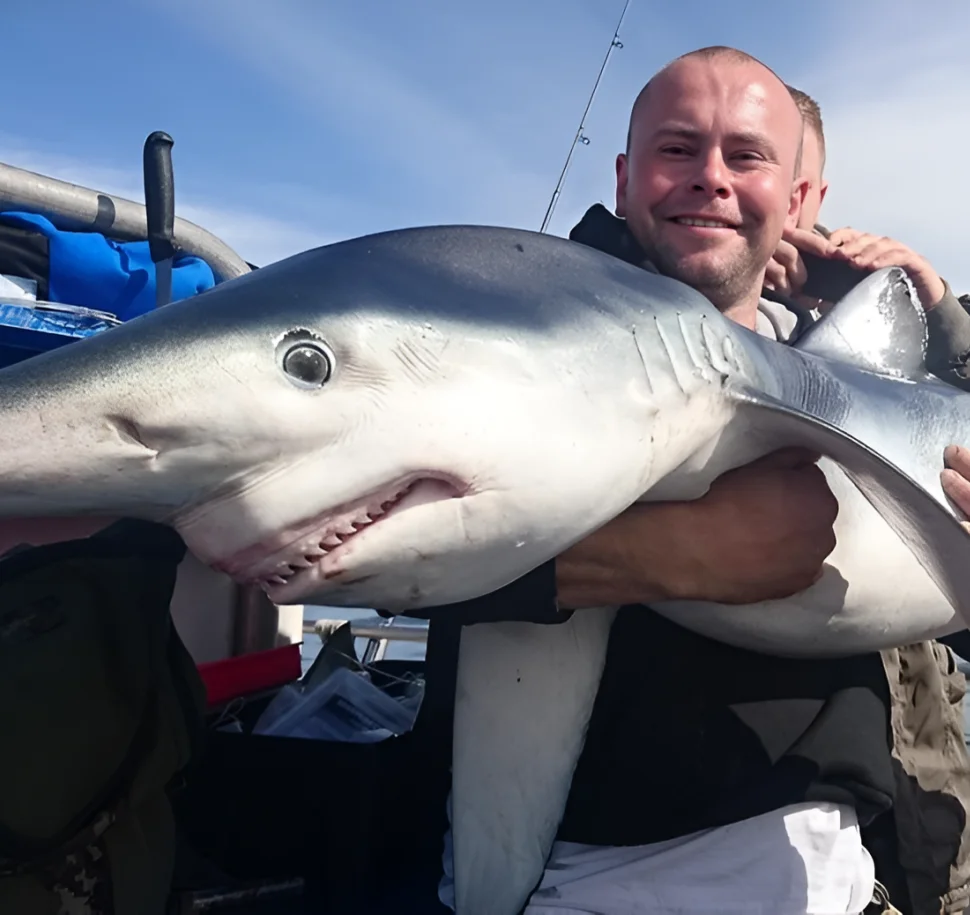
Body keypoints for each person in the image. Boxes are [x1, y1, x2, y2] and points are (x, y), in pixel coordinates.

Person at [426, 45, 894, 915]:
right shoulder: (505, 343)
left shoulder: (858, 386)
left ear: (799, 200)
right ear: (624, 177)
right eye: (678, 148)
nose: (710, 177)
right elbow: (360, 544)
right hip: (566, 880)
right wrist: (673, 553)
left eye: (746, 155)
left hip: (828, 878)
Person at [760, 84, 970, 915]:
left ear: (812, 198)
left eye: (789, 184)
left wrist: (935, 310)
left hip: (926, 836)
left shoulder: (899, 358)